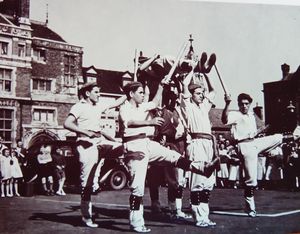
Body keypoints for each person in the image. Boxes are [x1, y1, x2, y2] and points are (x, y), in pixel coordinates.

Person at [119, 80, 219, 233]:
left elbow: (154, 102)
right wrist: (150, 121)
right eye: (139, 92)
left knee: (173, 156)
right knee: (137, 188)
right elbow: (130, 122)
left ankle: (200, 167)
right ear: (131, 94)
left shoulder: (142, 106)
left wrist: (160, 86)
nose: (142, 95)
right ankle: (136, 223)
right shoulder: (124, 108)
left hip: (147, 143)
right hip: (133, 146)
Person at [64, 82, 127, 228]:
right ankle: (86, 216)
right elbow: (67, 124)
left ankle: (104, 176)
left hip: (99, 142)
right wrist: (86, 132)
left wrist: (127, 91)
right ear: (87, 93)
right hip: (86, 144)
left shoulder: (98, 105)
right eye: (97, 92)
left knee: (125, 147)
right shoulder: (79, 106)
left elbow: (117, 102)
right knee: (87, 184)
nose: (99, 95)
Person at [222, 93, 286, 217]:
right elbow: (224, 120)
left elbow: (253, 133)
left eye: (246, 104)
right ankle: (250, 207)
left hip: (254, 143)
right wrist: (227, 104)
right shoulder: (235, 114)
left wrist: (261, 131)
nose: (244, 106)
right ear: (238, 104)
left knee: (278, 137)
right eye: (242, 104)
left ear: (250, 104)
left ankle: (271, 151)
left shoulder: (252, 115)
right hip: (244, 146)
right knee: (251, 180)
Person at [179, 67, 219, 227]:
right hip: (196, 144)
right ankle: (198, 217)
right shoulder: (187, 106)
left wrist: (207, 74)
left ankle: (205, 216)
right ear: (191, 94)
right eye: (198, 93)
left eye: (202, 93)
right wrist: (194, 68)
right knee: (197, 182)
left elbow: (213, 90)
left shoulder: (204, 106)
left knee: (208, 183)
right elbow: (184, 83)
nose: (202, 95)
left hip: (209, 144)